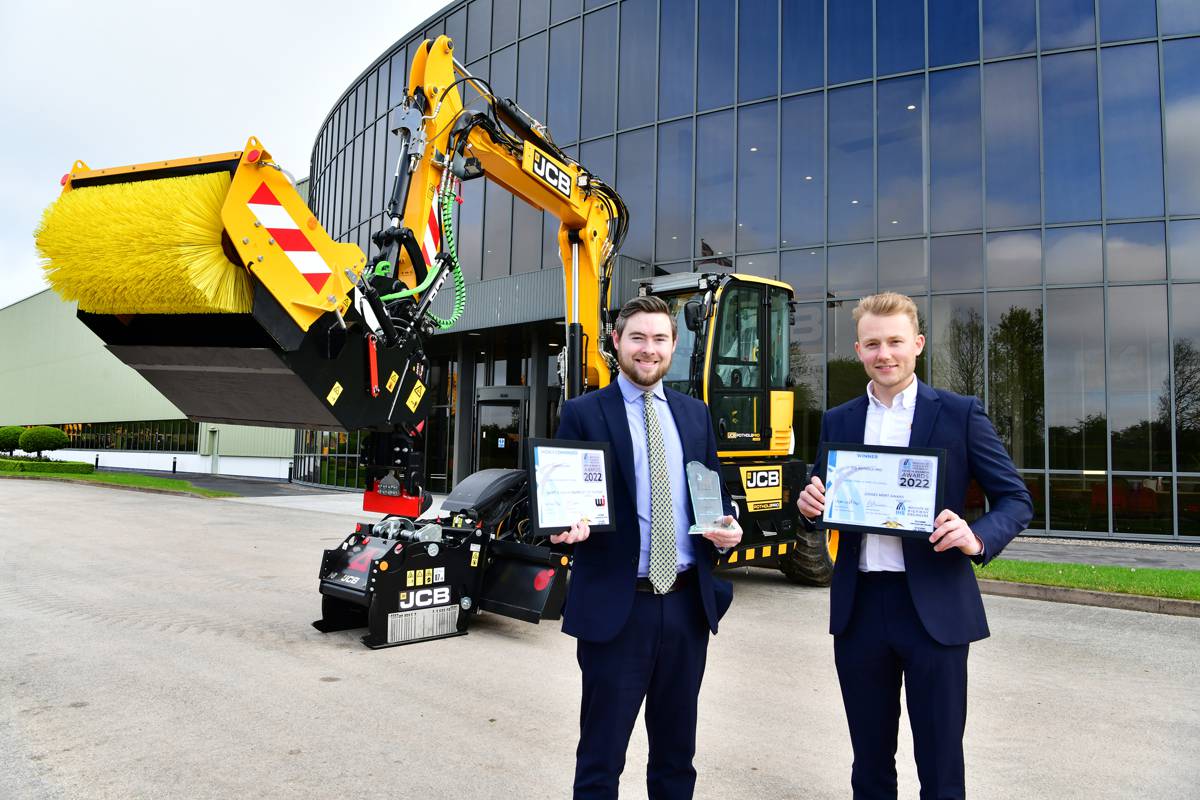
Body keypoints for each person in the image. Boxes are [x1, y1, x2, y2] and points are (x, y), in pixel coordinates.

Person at [797, 292, 1033, 800]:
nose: (885, 354)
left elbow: (1015, 499)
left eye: (896, 342)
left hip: (934, 610)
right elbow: (825, 499)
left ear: (918, 345)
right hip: (860, 611)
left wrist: (976, 537)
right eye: (873, 343)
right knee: (870, 765)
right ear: (859, 349)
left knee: (941, 764)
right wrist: (810, 504)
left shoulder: (959, 413)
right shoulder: (839, 420)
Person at [551, 295, 743, 800]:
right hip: (618, 609)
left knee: (677, 760)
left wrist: (730, 527)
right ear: (616, 342)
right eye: (637, 337)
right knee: (601, 761)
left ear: (674, 346)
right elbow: (559, 496)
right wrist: (561, 529)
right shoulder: (583, 413)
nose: (648, 349)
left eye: (660, 339)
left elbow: (715, 495)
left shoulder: (695, 415)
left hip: (685, 607)